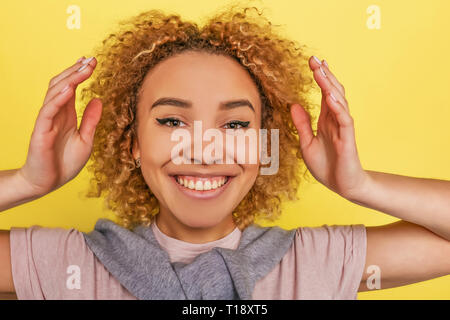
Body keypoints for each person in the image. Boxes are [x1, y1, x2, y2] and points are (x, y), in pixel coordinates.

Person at [0, 5, 449, 300]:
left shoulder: (310, 263)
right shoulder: (69, 265)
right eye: (172, 121)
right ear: (133, 144)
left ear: (263, 144)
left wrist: (360, 184)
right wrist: (27, 181)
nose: (203, 148)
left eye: (235, 124)